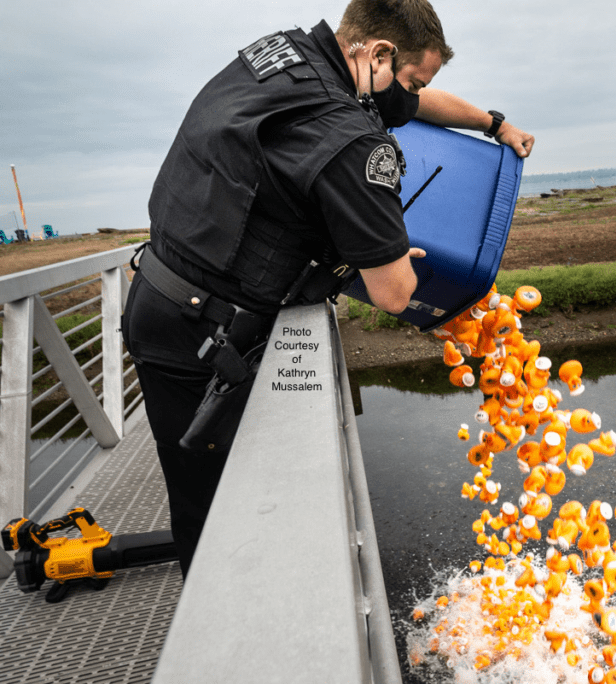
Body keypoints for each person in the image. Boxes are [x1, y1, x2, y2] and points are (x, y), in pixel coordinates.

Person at [122, 0, 534, 579]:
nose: (409, 95)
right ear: (380, 53)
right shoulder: (349, 137)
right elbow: (393, 292)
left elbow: (412, 102)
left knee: (193, 489)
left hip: (155, 296)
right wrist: (387, 256)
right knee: (223, 514)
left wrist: (495, 124)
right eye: (410, 75)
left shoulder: (289, 54)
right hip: (203, 335)